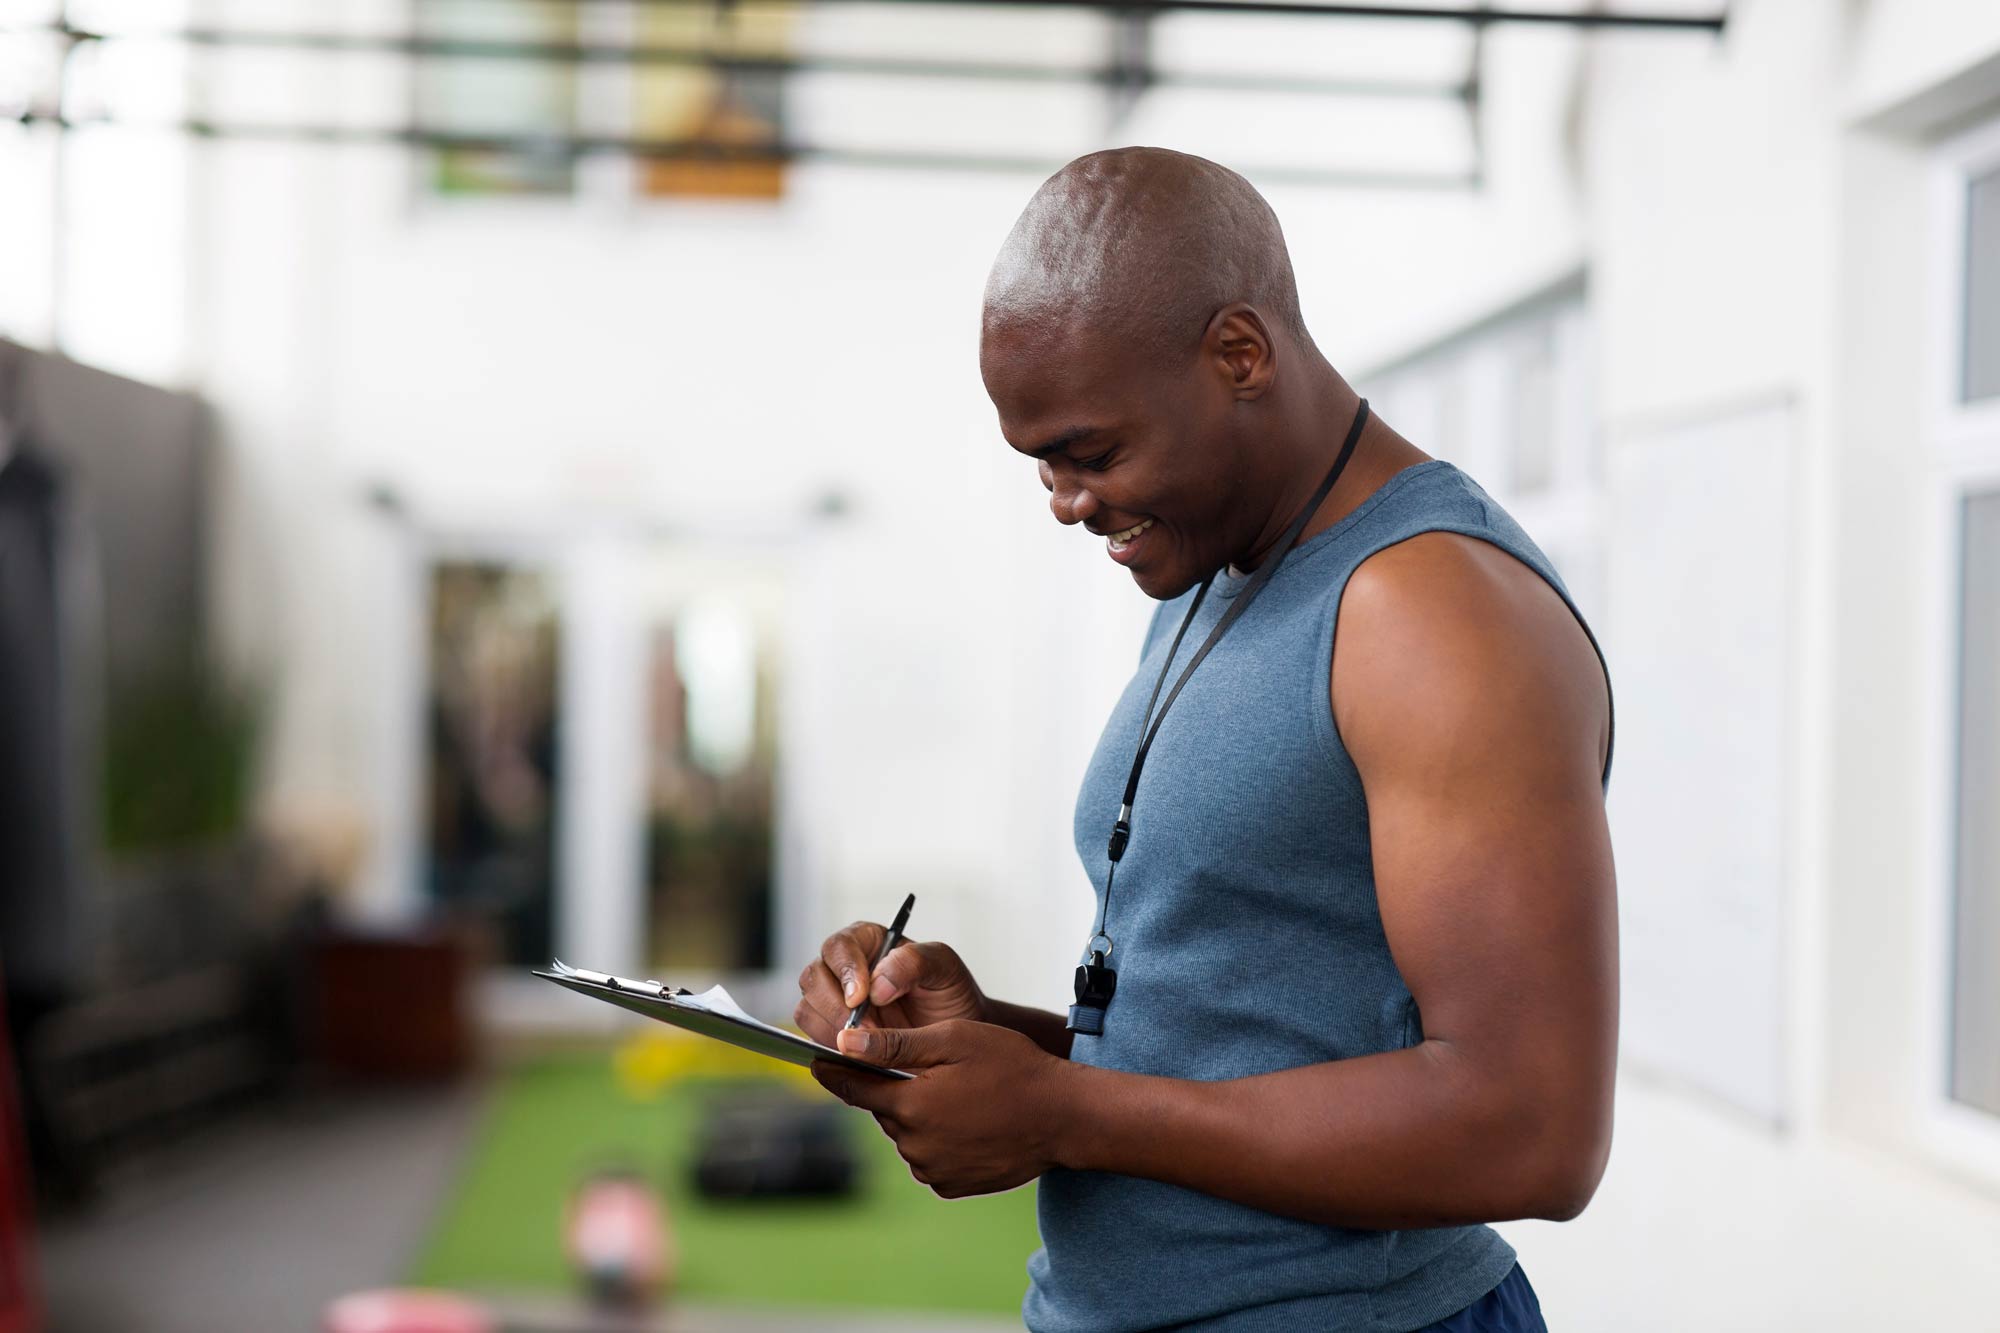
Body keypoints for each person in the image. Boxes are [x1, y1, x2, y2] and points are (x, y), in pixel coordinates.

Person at [795, 147, 1615, 1332]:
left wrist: (1065, 1112)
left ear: (1238, 354)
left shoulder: (1431, 614)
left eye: (1092, 453)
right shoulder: (1214, 572)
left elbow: (1532, 1128)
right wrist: (988, 1045)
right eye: (1042, 466)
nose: (1067, 502)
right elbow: (1224, 1045)